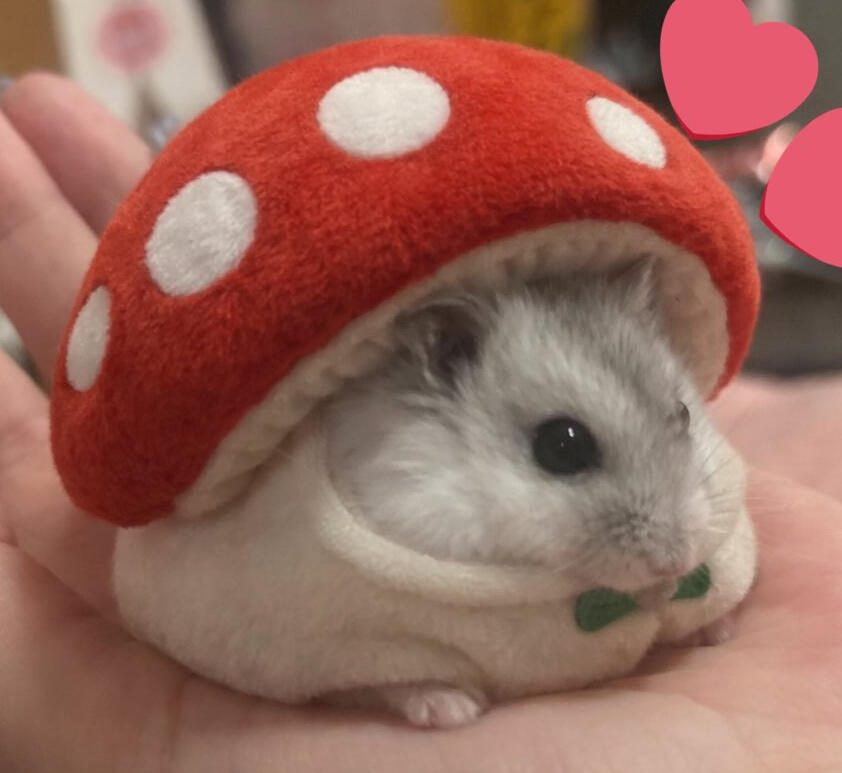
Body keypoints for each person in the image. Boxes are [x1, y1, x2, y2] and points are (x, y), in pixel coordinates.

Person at [0, 73, 840, 773]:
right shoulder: (352, 480)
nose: (670, 539)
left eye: (680, 422)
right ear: (446, 357)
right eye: (564, 447)